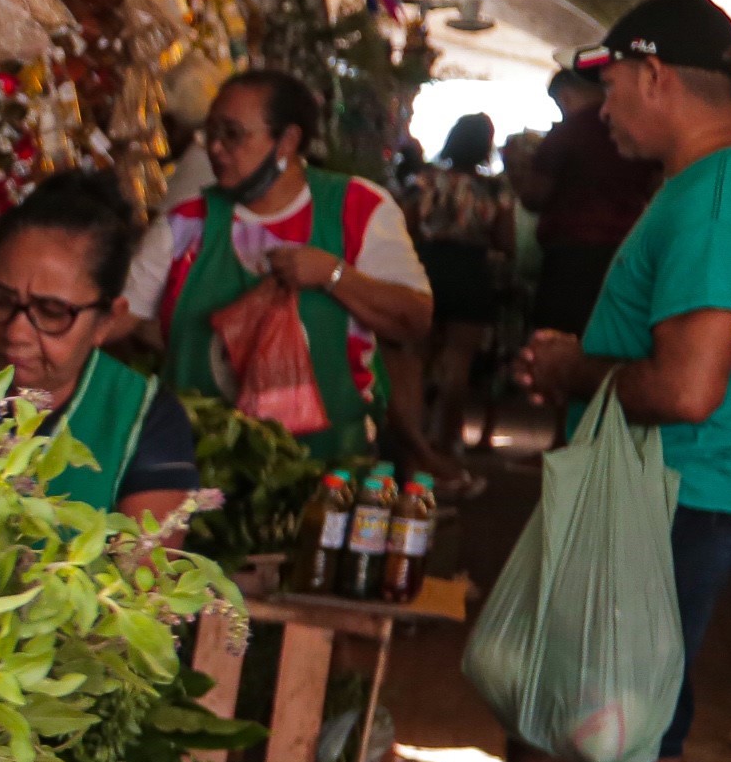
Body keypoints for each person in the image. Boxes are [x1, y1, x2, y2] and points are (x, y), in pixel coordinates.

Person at [367, 0, 731, 762]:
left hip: (690, 484)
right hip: (655, 479)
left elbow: (688, 387)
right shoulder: (716, 181)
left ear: (652, 76)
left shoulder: (721, 196)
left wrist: (569, 374)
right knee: (566, 678)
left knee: (643, 712)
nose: (597, 112)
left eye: (607, 88)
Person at [116, 68, 434, 465]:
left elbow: (415, 320)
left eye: (232, 134)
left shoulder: (359, 208)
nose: (215, 148)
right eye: (210, 133)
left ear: (287, 141)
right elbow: (120, 320)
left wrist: (333, 275)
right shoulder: (184, 226)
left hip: (328, 468)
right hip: (197, 469)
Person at [0, 169, 198, 520]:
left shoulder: (143, 421)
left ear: (106, 321)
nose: (16, 332)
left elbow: (144, 570)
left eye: (51, 312)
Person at [402, 112, 518, 492]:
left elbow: (408, 226)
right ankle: (446, 444)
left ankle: (412, 443)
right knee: (458, 366)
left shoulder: (426, 180)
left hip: (429, 267)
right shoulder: (495, 190)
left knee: (416, 360)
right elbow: (506, 240)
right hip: (471, 272)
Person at [519, 61, 661, 339]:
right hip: (625, 251)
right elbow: (657, 187)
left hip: (570, 258)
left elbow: (534, 197)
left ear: (565, 96)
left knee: (555, 345)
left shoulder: (567, 133)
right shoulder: (638, 130)